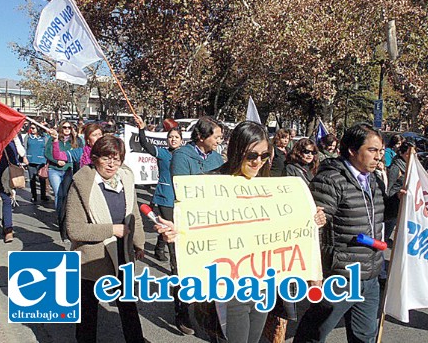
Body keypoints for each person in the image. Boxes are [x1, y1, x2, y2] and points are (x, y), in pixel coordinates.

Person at [159, 121, 326, 343]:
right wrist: (176, 232)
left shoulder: (271, 188)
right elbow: (196, 225)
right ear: (237, 152)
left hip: (263, 285)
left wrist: (311, 220)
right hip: (228, 289)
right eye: (252, 156)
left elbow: (285, 227)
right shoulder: (211, 184)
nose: (258, 162)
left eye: (264, 155)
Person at [293, 122, 401, 343]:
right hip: (341, 274)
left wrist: (400, 201)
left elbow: (380, 213)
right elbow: (312, 229)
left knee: (365, 337)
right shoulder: (330, 180)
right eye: (371, 150)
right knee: (314, 333)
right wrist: (314, 275)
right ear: (352, 150)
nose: (378, 157)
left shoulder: (373, 179)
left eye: (380, 151)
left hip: (370, 274)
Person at [65, 135, 147, 343]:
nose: (112, 164)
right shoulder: (81, 184)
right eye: (106, 158)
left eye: (117, 158)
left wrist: (139, 243)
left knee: (128, 306)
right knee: (87, 314)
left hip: (123, 255)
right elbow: (74, 230)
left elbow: (134, 214)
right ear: (95, 158)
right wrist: (112, 230)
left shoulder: (126, 179)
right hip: (92, 259)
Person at [170, 115, 224, 335]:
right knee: (184, 269)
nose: (220, 140)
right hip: (189, 224)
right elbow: (183, 191)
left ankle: (210, 313)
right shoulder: (181, 156)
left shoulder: (217, 158)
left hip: (213, 223)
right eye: (217, 136)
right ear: (201, 136)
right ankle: (182, 310)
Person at [133, 114, 182, 262]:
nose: (173, 139)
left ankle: (159, 248)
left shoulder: (185, 154)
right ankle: (175, 266)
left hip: (181, 197)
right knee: (169, 228)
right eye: (170, 137)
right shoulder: (163, 153)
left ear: (181, 140)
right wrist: (142, 128)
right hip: (165, 196)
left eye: (176, 137)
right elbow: (145, 144)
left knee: (168, 226)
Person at [0, 137, 26, 243]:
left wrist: (15, 138)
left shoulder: (15, 137)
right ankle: (8, 230)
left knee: (8, 199)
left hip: (11, 172)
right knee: (6, 199)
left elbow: (22, 153)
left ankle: (6, 224)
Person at [45, 120, 84, 209]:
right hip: (54, 170)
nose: (67, 129)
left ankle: (64, 216)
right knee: (59, 193)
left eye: (69, 127)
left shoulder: (76, 140)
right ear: (61, 128)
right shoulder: (53, 139)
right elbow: (47, 153)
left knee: (66, 194)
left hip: (68, 170)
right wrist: (56, 161)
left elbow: (79, 155)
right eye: (65, 127)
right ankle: (59, 217)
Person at [24, 124, 49, 203]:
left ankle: (43, 195)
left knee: (42, 178)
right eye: (31, 128)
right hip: (30, 160)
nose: (32, 130)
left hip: (41, 161)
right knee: (32, 179)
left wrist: (47, 161)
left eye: (34, 128)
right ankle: (33, 195)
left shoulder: (44, 138)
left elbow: (47, 149)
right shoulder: (27, 137)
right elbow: (24, 147)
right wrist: (24, 158)